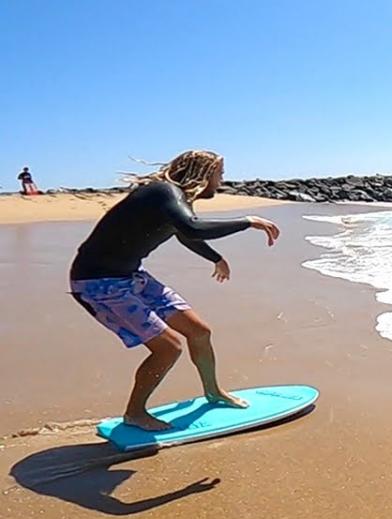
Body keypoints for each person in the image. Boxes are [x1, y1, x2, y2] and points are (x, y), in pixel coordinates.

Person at [68, 149, 280, 431]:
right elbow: (192, 228)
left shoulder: (170, 198)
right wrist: (248, 221)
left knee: (199, 332)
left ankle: (213, 392)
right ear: (204, 174)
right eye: (219, 174)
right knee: (168, 348)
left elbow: (184, 232)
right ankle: (134, 413)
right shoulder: (163, 192)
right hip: (98, 283)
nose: (221, 181)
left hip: (130, 276)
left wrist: (215, 258)